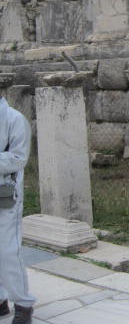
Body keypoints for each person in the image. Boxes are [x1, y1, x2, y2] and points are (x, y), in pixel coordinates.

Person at [0, 97, 35, 324]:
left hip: (5, 196)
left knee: (8, 251)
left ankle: (23, 304)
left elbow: (18, 158)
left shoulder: (14, 119)